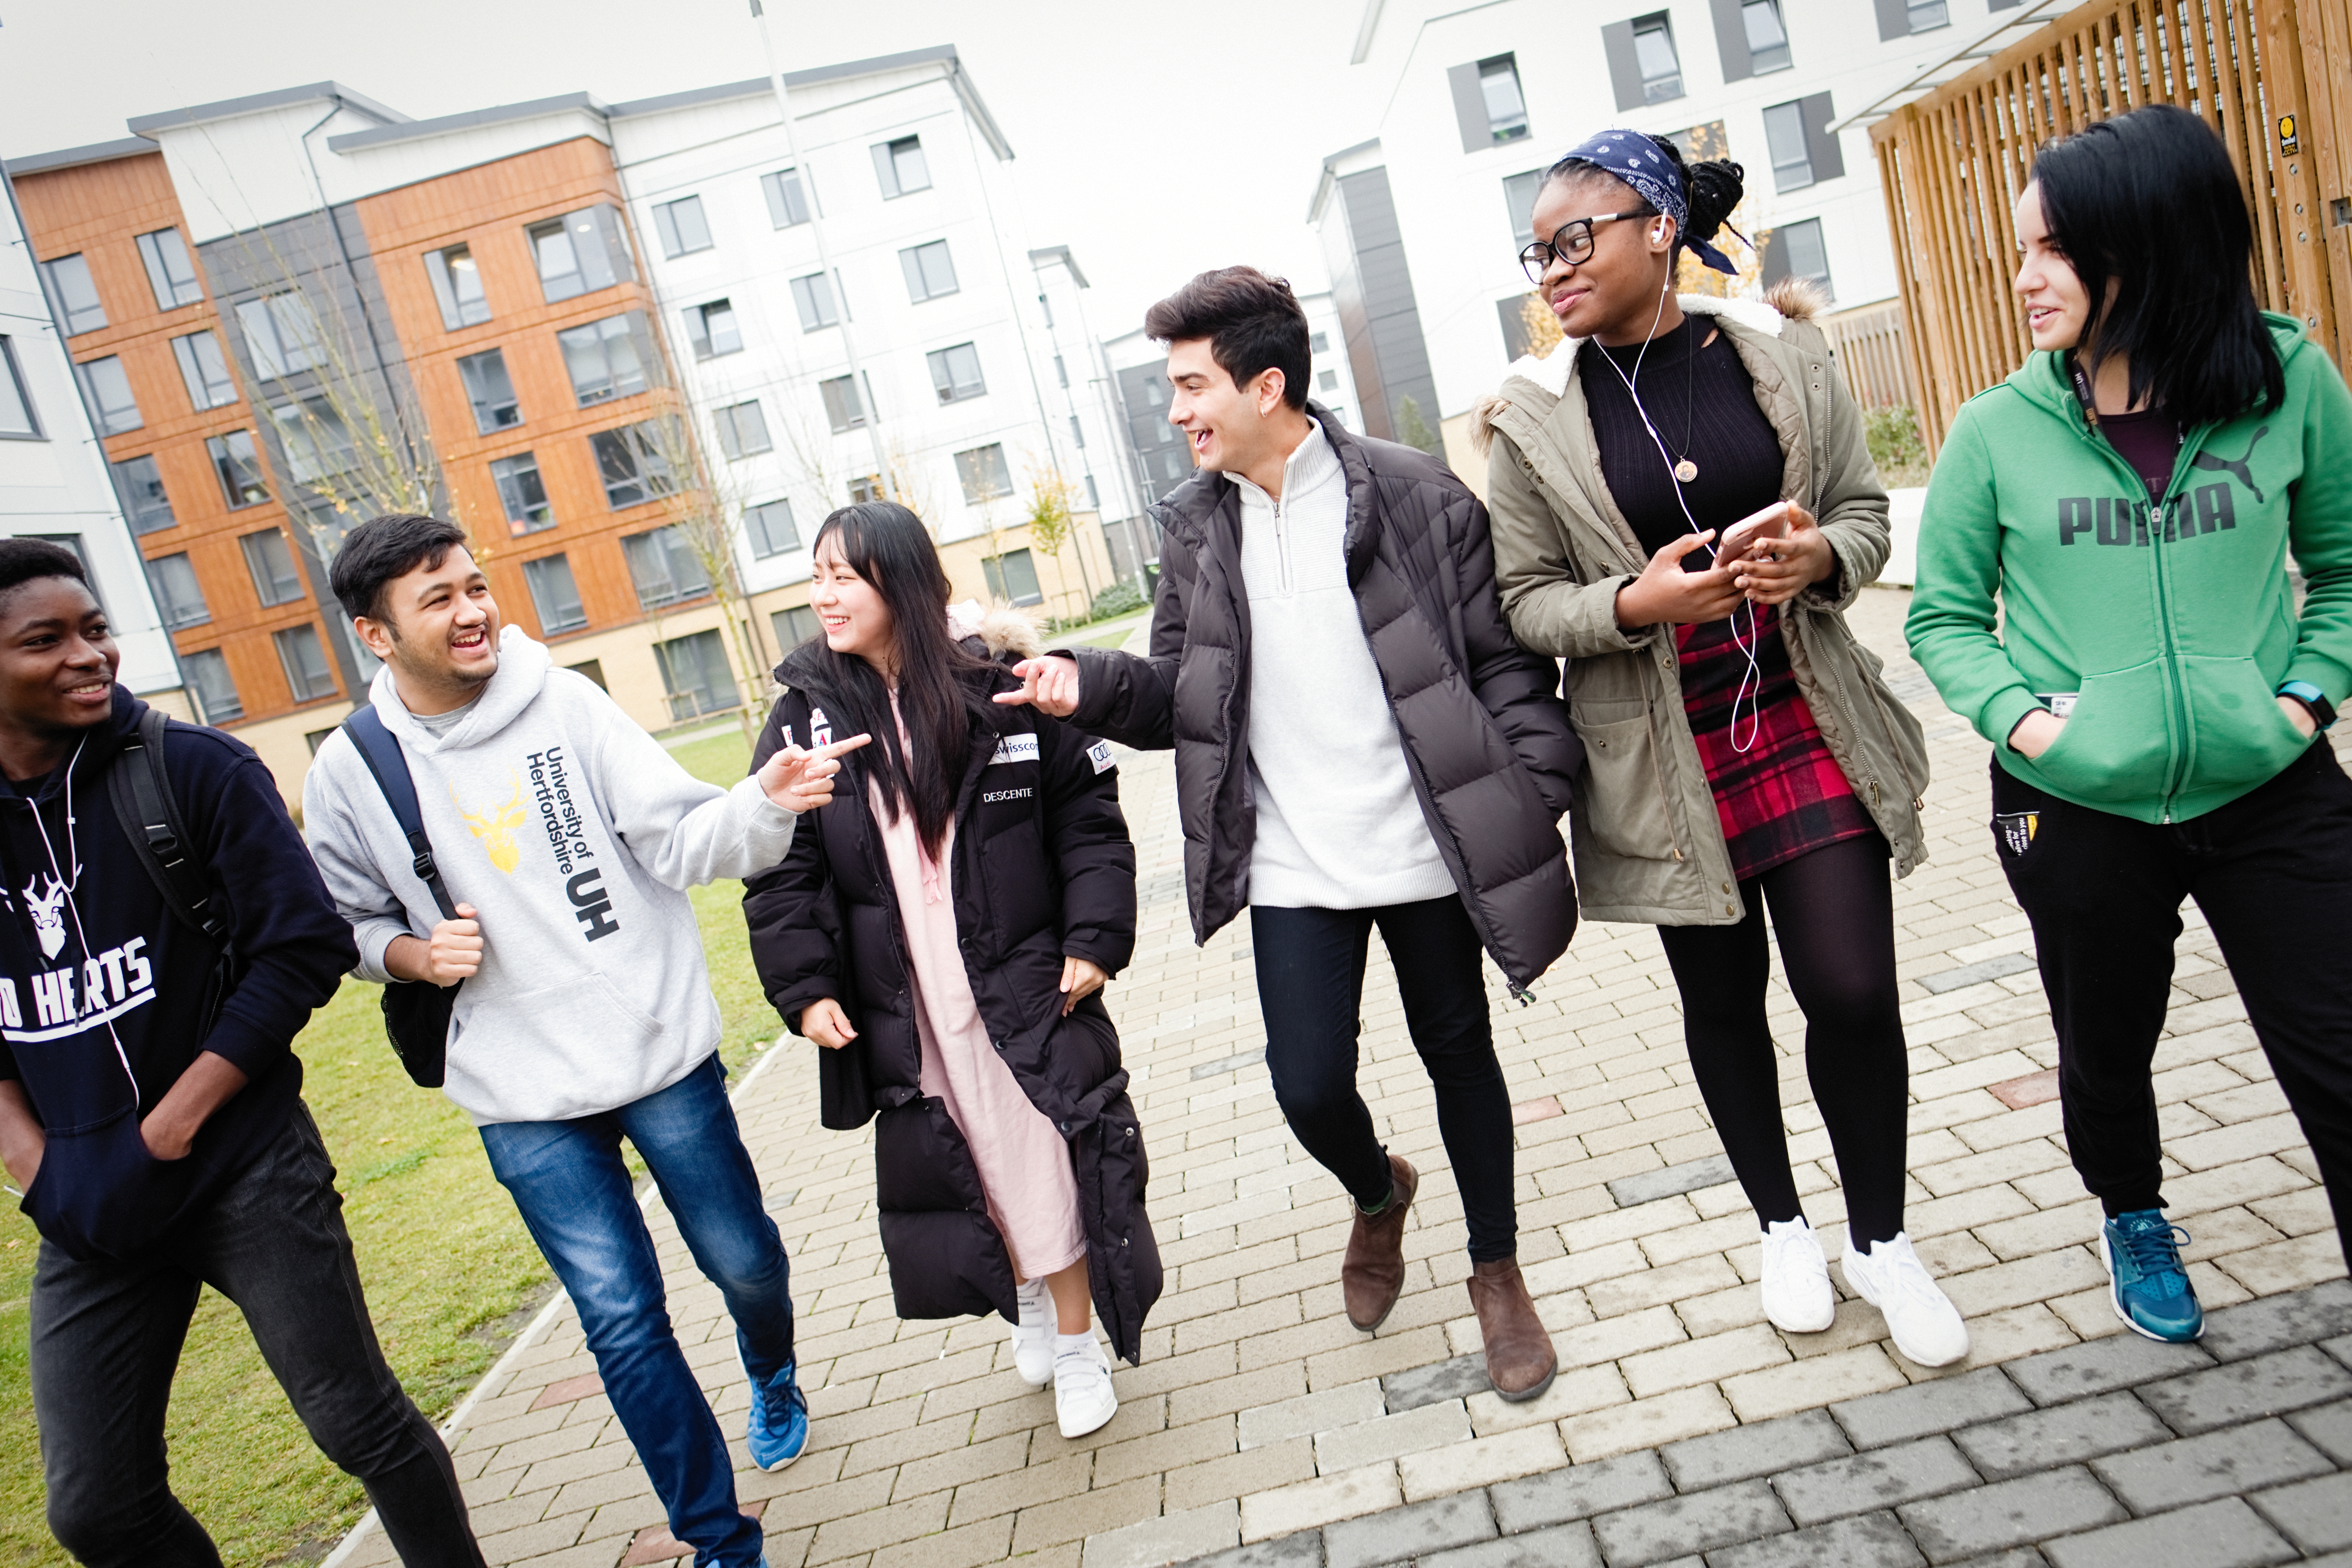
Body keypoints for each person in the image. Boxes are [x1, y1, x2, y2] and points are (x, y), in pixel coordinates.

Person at [996, 267, 1582, 1401]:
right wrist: (1090, 687)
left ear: (1268, 385)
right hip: (1295, 863)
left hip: (1426, 847)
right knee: (1308, 1086)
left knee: (1461, 1058)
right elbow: (1180, 691)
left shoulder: (1417, 497)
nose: (1178, 413)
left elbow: (1506, 661)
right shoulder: (1196, 525)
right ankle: (1379, 1193)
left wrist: (1532, 786)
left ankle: (1496, 1272)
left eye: (1193, 386)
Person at [1475, 131, 1968, 1368]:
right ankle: (1783, 1226)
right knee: (1723, 998)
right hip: (1658, 747)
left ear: (1656, 227)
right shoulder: (1534, 418)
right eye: (1537, 254)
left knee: (1852, 988)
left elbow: (1860, 512)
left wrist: (1826, 561)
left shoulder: (1779, 353)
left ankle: (1883, 1240)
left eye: (1573, 240)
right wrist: (1632, 609)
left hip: (1803, 707)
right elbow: (1526, 601)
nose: (1552, 270)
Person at [303, 514, 863, 1568]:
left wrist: (765, 802)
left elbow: (683, 838)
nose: (473, 612)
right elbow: (343, 922)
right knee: (620, 1319)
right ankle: (718, 1540)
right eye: (439, 600)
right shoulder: (353, 769)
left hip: (652, 1048)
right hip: (515, 1090)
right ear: (376, 635)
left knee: (744, 1262)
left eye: (475, 586)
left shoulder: (563, 700)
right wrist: (413, 959)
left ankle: (771, 1365)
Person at [1907, 105, 2352, 1343]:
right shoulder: (2000, 428)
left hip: (2272, 786)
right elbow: (1943, 620)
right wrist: (2033, 731)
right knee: (2107, 1044)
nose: (2023, 277)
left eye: (2051, 248)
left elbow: (2348, 565)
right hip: (2076, 803)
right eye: (2019, 250)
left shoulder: (2288, 379)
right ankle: (2132, 1207)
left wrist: (2304, 697)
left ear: (2145, 243)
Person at [0, 539, 483, 1567]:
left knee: (358, 1425)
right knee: (94, 1508)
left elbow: (302, 947)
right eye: (47, 640)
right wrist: (34, 1163)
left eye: (96, 629)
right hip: (85, 1208)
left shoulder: (194, 771)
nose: (91, 655)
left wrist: (173, 1124)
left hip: (245, 1168)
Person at [742, 503, 1149, 1439]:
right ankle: (1038, 1305)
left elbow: (1087, 813)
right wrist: (806, 989)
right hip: (906, 999)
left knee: (1045, 1153)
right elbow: (780, 865)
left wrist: (1094, 935)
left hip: (1017, 981)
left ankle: (1083, 1342)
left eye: (844, 575)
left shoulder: (996, 685)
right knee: (966, 1165)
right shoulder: (804, 716)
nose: (823, 595)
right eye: (817, 576)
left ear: (903, 580)